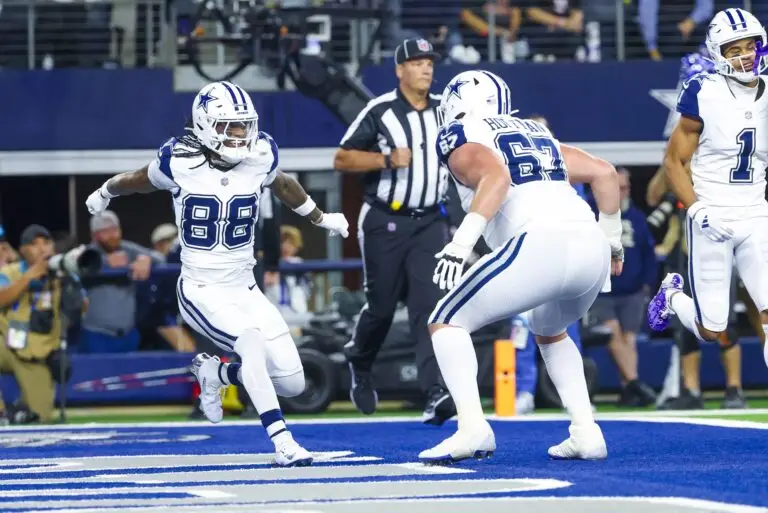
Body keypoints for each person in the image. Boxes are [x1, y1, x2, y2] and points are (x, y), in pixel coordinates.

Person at [85, 80, 350, 467]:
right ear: (207, 125)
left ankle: (218, 373)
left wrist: (321, 217)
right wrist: (106, 190)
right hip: (201, 287)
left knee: (293, 381)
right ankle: (283, 442)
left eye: (245, 125)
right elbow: (139, 180)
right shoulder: (178, 160)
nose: (242, 135)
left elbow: (284, 184)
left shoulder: (261, 154)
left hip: (244, 287)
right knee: (251, 343)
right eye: (231, 126)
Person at [418, 70, 623, 463]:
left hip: (541, 242)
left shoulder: (460, 133)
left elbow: (495, 175)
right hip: (589, 244)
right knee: (550, 329)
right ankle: (586, 432)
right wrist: (612, 243)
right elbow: (605, 173)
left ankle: (472, 429)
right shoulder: (535, 130)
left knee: (446, 320)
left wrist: (461, 243)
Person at [333, 38, 457, 425]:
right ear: (399, 70)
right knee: (382, 306)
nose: (426, 68)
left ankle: (436, 391)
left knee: (430, 306)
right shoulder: (380, 110)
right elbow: (342, 158)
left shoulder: (446, 112)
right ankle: (361, 359)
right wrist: (386, 159)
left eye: (429, 62)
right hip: (387, 219)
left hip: (430, 222)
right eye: (417, 62)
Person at [648, 8, 768, 373]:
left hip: (756, 213)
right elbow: (673, 163)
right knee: (710, 329)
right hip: (712, 214)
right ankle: (672, 296)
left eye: (752, 46)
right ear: (718, 53)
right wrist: (697, 208)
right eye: (735, 50)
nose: (746, 56)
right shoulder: (703, 91)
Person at [0, 225, 85, 423]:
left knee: (42, 418)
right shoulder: (10, 272)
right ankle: (2, 412)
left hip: (35, 352)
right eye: (34, 244)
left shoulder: (61, 275)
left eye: (46, 243)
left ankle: (20, 411)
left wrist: (73, 287)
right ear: (22, 250)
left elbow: (82, 308)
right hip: (5, 345)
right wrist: (29, 276)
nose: (41, 249)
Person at [589, 168, 658, 407]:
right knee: (613, 335)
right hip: (602, 290)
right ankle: (636, 383)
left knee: (629, 341)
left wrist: (647, 283)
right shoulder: (591, 213)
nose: (623, 192)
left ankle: (628, 389)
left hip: (633, 290)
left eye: (626, 188)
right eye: (618, 188)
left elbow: (648, 252)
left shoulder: (637, 217)